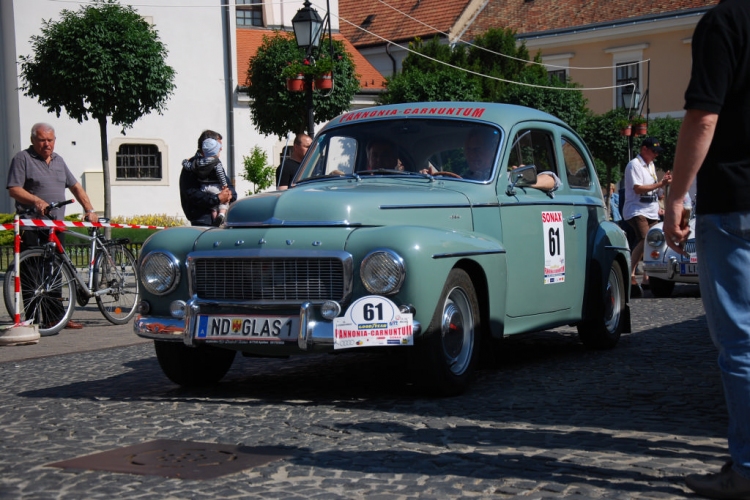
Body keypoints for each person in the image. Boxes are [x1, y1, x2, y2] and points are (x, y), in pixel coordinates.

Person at [663, 1, 750, 497]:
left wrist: (678, 193)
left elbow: (703, 116)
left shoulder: (725, 21)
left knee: (740, 344)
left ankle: (747, 470)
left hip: (736, 199)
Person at [6, 122, 100, 330]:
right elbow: (14, 189)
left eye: (50, 140)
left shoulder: (59, 161)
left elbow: (75, 186)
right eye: (42, 140)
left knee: (57, 272)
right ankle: (32, 319)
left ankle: (57, 317)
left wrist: (89, 209)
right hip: (31, 225)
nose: (46, 144)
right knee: (32, 273)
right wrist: (36, 201)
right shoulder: (23, 159)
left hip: (55, 227)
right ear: (33, 140)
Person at [622, 137, 671, 297]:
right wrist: (660, 185)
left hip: (651, 210)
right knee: (645, 240)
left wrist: (661, 191)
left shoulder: (650, 165)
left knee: (655, 242)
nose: (656, 155)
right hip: (637, 210)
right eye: (653, 151)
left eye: (657, 152)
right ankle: (629, 273)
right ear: (644, 149)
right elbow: (638, 189)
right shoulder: (634, 165)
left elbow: (654, 188)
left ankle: (646, 277)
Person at [179, 130, 237, 227]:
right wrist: (217, 198)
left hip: (221, 219)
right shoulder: (193, 166)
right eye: (219, 145)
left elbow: (229, 186)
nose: (221, 149)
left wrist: (229, 194)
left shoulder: (216, 164)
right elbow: (192, 194)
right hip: (202, 220)